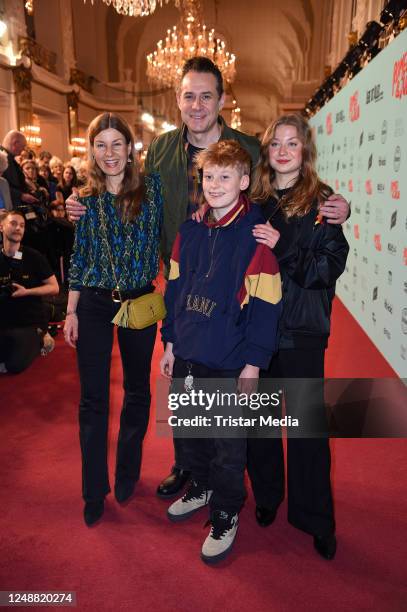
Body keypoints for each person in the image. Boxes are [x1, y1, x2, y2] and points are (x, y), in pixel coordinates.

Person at [66, 56, 351, 500]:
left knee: (241, 394)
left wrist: (334, 204)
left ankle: (241, 484)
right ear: (177, 100)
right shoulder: (159, 149)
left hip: (236, 289)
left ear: (221, 100)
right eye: (188, 96)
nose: (196, 105)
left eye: (206, 96)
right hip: (181, 285)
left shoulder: (250, 148)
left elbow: (288, 183)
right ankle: (189, 468)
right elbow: (127, 190)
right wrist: (82, 203)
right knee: (187, 386)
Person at [160, 140, 281, 563]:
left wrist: (253, 364)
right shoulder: (190, 229)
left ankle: (227, 511)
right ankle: (201, 485)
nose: (214, 184)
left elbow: (266, 306)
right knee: (190, 430)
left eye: (225, 176)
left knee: (229, 444)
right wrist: (170, 343)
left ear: (244, 181)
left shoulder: (258, 235)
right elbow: (174, 289)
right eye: (209, 176)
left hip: (230, 358)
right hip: (189, 350)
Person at [247, 113, 349, 560]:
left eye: (293, 143)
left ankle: (314, 517)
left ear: (305, 151)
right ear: (267, 152)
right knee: (259, 424)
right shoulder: (254, 200)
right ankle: (267, 496)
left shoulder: (323, 202)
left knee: (308, 431)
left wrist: (282, 244)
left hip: (303, 331)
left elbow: (326, 269)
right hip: (259, 329)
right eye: (276, 144)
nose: (284, 151)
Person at [64, 112, 163, 527]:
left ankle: (127, 472)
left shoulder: (152, 189)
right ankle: (93, 490)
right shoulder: (83, 200)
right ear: (91, 151)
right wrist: (70, 310)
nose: (109, 153)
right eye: (100, 145)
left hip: (139, 301)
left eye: (116, 144)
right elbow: (81, 258)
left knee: (138, 392)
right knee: (93, 399)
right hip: (94, 304)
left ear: (130, 149)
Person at [0, 210, 58, 374]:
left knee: (14, 365)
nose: (18, 228)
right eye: (13, 224)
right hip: (4, 321)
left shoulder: (34, 257)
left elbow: (54, 287)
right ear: (1, 227)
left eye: (22, 225)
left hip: (28, 323)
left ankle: (42, 335)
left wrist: (27, 292)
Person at [0, 131, 39, 207]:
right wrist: (21, 195)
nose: (23, 150)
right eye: (23, 146)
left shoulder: (10, 158)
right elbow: (2, 185)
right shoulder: (2, 158)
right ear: (15, 143)